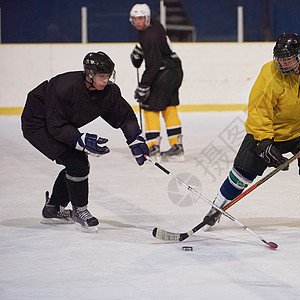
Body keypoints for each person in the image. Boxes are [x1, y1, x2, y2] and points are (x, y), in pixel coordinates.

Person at [202, 33, 300, 231]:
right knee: (241, 175)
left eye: (287, 59)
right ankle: (215, 210)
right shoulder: (269, 76)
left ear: (299, 56)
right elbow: (258, 112)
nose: (282, 64)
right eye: (279, 59)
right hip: (270, 132)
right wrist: (263, 143)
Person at [21, 51, 150, 232]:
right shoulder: (64, 87)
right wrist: (79, 139)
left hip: (61, 123)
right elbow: (55, 125)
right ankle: (79, 210)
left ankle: (53, 208)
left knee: (75, 163)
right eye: (101, 76)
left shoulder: (108, 92)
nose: (105, 81)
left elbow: (125, 116)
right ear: (89, 74)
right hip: (38, 123)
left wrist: (135, 139)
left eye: (108, 76)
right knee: (77, 162)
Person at [129, 3, 184, 161]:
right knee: (169, 106)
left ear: (146, 17)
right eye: (135, 19)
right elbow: (158, 47)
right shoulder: (155, 25)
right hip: (175, 70)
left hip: (163, 73)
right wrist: (141, 49)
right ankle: (176, 147)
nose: (138, 22)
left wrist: (143, 86)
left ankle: (152, 147)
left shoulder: (149, 36)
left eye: (140, 18)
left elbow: (152, 66)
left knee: (149, 106)